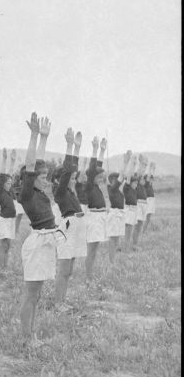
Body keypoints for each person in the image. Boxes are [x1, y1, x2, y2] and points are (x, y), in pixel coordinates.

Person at [19, 113, 61, 345]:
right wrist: (34, 136)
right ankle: (27, 337)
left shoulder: (41, 192)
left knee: (37, 294)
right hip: (37, 242)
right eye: (41, 176)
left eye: (46, 176)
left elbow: (38, 163)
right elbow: (32, 165)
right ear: (31, 178)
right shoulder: (26, 194)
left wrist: (44, 139)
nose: (45, 179)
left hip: (47, 241)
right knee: (31, 293)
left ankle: (31, 334)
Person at [53, 129, 85, 309]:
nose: (73, 180)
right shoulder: (60, 191)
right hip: (66, 229)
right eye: (70, 178)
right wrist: (69, 146)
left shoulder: (71, 191)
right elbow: (67, 171)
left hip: (75, 228)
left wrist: (78, 149)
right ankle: (58, 303)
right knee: (64, 269)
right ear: (59, 180)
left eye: (74, 178)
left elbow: (72, 170)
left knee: (69, 270)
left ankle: (62, 301)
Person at [84, 137, 108, 281]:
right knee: (91, 250)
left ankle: (90, 276)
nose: (100, 178)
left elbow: (97, 166)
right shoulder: (89, 186)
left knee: (95, 250)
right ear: (92, 176)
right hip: (93, 219)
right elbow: (93, 167)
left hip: (100, 219)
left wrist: (102, 150)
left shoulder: (96, 185)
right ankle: (88, 277)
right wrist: (94, 149)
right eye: (98, 176)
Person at [106, 152, 130, 263]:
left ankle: (113, 259)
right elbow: (121, 178)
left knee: (116, 239)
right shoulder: (112, 189)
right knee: (113, 239)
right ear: (111, 181)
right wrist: (125, 162)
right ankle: (111, 261)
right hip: (115, 214)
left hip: (120, 214)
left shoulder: (116, 190)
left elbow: (123, 178)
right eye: (115, 179)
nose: (117, 180)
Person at [0, 148, 17, 269]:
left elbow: (10, 174)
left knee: (8, 245)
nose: (9, 184)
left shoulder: (9, 192)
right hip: (4, 221)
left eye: (10, 183)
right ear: (2, 184)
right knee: (3, 245)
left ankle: (5, 266)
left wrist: (13, 161)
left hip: (10, 221)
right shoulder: (0, 192)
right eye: (7, 183)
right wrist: (4, 159)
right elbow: (3, 175)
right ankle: (1, 268)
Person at [122, 156, 139, 252]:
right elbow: (129, 175)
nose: (136, 185)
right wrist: (131, 162)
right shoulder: (127, 188)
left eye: (137, 183)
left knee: (130, 230)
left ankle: (126, 247)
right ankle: (125, 248)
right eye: (134, 183)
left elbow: (133, 175)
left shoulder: (134, 189)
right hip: (128, 210)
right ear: (130, 182)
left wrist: (135, 164)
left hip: (133, 210)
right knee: (127, 230)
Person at [133, 154, 149, 246]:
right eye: (144, 164)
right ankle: (134, 244)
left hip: (144, 203)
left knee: (140, 224)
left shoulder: (143, 176)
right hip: (138, 203)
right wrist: (141, 162)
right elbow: (139, 172)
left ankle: (136, 243)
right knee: (137, 225)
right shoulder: (136, 174)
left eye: (146, 165)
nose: (145, 167)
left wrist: (144, 164)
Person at [143, 162, 156, 234]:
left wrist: (153, 169)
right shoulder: (146, 184)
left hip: (151, 201)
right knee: (145, 218)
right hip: (148, 201)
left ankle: (143, 231)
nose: (151, 180)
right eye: (150, 179)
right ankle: (142, 232)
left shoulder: (150, 185)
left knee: (148, 218)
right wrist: (150, 168)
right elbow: (148, 177)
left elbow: (151, 176)